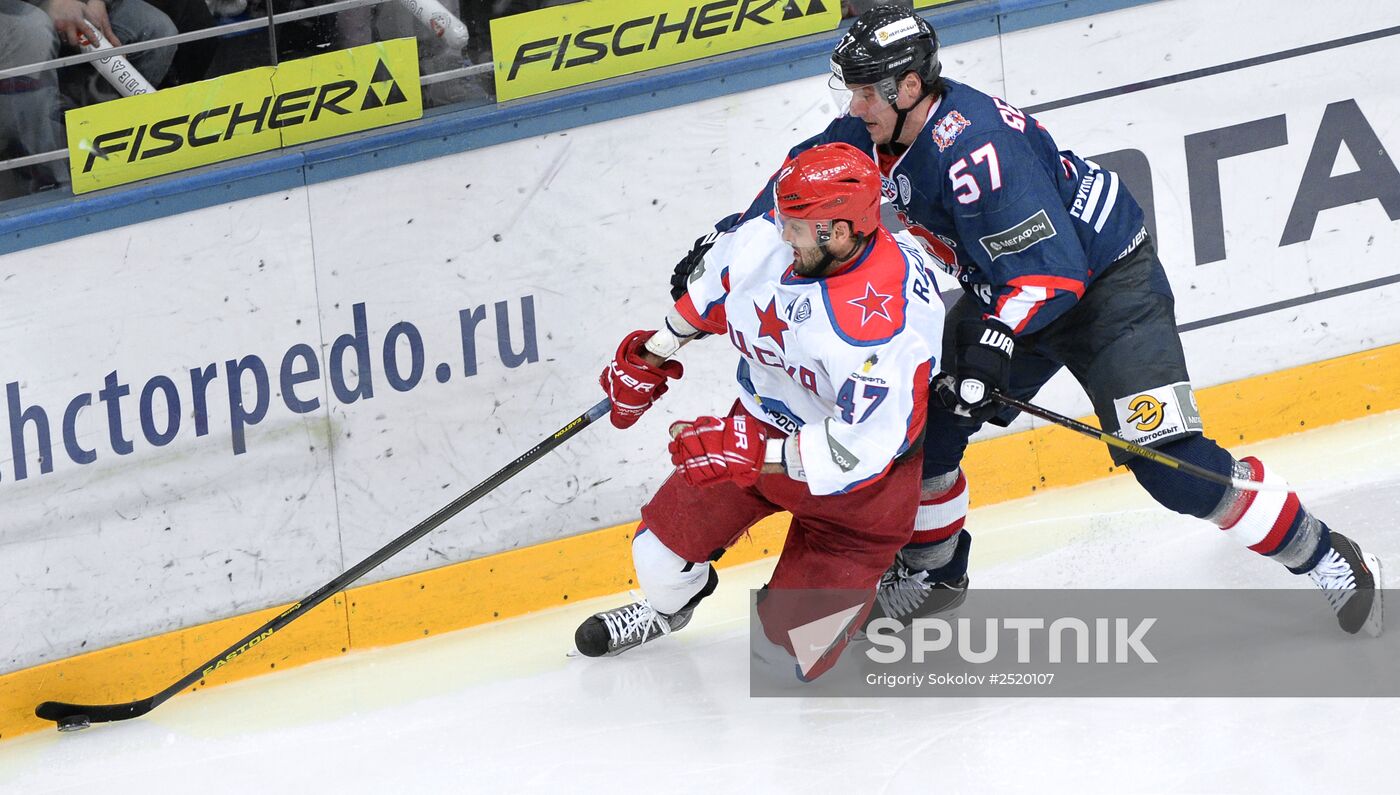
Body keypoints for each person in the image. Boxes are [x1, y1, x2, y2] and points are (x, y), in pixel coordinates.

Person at [671, 5, 1383, 636]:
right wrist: (727, 237)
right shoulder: (870, 129)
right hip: (1014, 288)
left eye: (865, 92)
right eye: (852, 91)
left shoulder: (976, 146)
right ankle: (938, 574)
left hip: (1105, 290)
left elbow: (1056, 272)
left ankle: (1322, 552)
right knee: (929, 427)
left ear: (908, 88)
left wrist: (990, 344)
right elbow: (797, 185)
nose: (854, 106)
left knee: (1170, 466)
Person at [574, 142, 949, 679]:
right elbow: (713, 292)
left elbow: (864, 450)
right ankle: (667, 609)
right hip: (753, 431)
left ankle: (851, 587)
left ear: (839, 232)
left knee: (788, 648)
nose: (780, 233)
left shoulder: (884, 327)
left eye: (794, 226)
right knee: (656, 559)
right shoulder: (775, 240)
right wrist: (650, 356)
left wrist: (756, 453)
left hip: (859, 498)